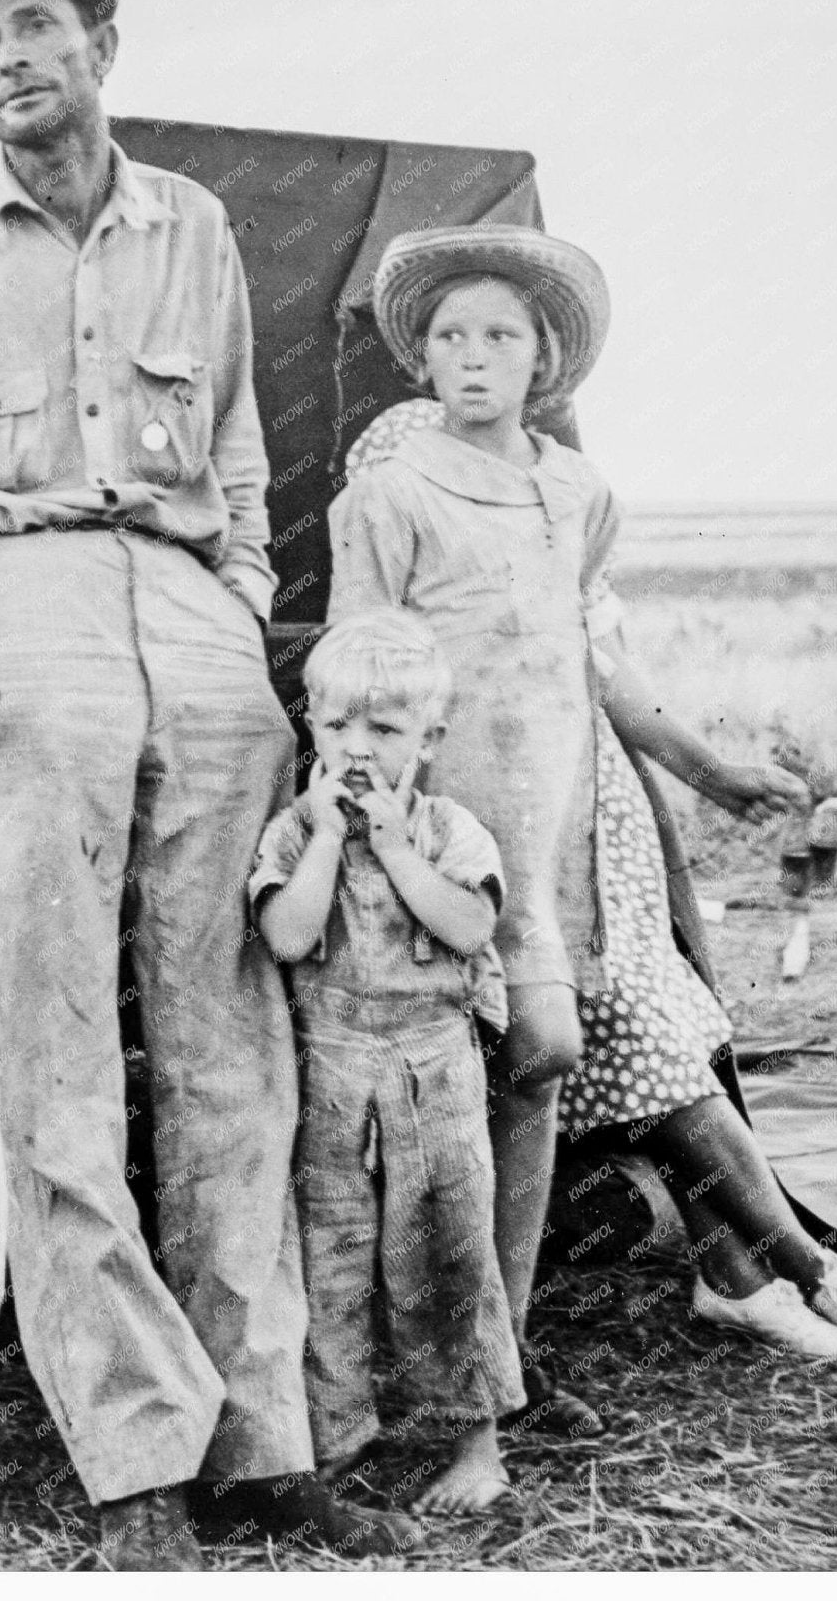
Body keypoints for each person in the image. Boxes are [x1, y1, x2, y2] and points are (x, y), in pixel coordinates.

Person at [0, 0, 417, 1569]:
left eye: (34, 29)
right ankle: (132, 1443)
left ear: (101, 45)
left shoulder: (192, 224)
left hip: (191, 626)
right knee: (54, 1047)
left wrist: (234, 605)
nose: (9, 60)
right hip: (9, 615)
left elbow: (232, 442)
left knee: (235, 1046)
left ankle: (260, 1430)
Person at [330, 225, 837, 1364]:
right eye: (450, 334)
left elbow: (596, 660)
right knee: (529, 1051)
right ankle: (757, 1276)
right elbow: (374, 661)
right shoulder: (393, 470)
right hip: (468, 812)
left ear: (542, 356)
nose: (472, 355)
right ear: (419, 355)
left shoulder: (577, 491)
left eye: (500, 334)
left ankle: (761, 1272)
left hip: (584, 822)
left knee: (626, 1043)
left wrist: (708, 769)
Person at [251, 611, 528, 1517]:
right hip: (330, 1069)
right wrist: (331, 838)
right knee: (329, 1254)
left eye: (385, 729)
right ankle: (335, 1440)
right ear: (312, 727)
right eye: (337, 726)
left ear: (429, 740)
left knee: (451, 1248)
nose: (357, 748)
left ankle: (475, 1441)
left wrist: (396, 848)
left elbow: (470, 926)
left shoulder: (451, 832)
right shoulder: (295, 837)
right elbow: (288, 936)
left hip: (433, 1068)